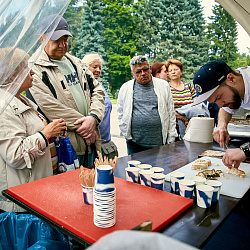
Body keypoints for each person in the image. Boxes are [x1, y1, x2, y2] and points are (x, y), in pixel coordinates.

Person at [27, 16, 105, 167]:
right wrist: (87, 127)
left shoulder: (76, 63)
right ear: (41, 38)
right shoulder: (34, 68)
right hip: (67, 148)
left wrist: (93, 117)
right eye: (57, 40)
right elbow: (49, 107)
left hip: (91, 143)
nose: (63, 45)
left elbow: (97, 90)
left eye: (66, 39)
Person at [0, 47, 67, 212]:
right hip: (21, 202)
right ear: (12, 75)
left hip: (35, 191)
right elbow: (15, 155)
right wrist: (46, 134)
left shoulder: (21, 100)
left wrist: (53, 133)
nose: (32, 72)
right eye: (26, 67)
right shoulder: (4, 108)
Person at [192, 60, 250, 169]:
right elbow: (226, 109)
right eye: (215, 102)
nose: (220, 105)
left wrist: (245, 150)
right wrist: (221, 125)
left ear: (231, 78)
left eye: (219, 97)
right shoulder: (235, 86)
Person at [117, 55, 177, 155]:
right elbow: (120, 112)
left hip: (159, 143)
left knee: (160, 169)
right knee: (135, 170)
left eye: (145, 69)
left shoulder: (163, 86)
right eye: (138, 71)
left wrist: (171, 137)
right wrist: (126, 132)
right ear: (133, 74)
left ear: (149, 69)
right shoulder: (125, 88)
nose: (143, 73)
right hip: (134, 143)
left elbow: (170, 113)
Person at [82, 54, 118, 160]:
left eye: (100, 68)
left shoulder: (100, 86)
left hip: (106, 142)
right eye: (94, 67)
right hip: (92, 144)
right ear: (85, 67)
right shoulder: (83, 87)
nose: (98, 70)